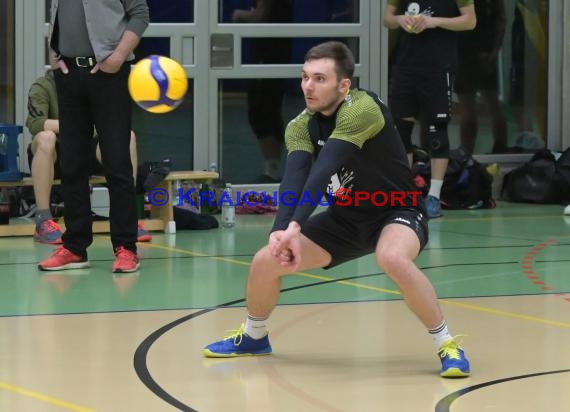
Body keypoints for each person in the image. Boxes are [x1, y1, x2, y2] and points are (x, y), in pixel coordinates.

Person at [203, 41, 470, 378]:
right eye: (304, 77)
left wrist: (297, 225)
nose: (308, 87)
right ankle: (255, 336)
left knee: (391, 257)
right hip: (346, 220)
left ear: (344, 85)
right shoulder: (300, 124)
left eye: (319, 79)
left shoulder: (362, 108)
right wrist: (280, 232)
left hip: (395, 211)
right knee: (264, 261)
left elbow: (324, 168)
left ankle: (448, 345)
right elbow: (295, 178)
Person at [39, 0, 149, 272]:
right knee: (72, 164)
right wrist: (54, 51)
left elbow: (140, 14)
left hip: (110, 75)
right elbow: (58, 13)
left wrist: (118, 56)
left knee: (117, 162)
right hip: (68, 75)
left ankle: (126, 247)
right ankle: (75, 246)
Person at [26, 69, 152, 245]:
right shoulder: (42, 86)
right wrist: (75, 124)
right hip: (55, 153)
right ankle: (43, 220)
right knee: (45, 137)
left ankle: (127, 218)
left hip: (86, 148)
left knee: (127, 136)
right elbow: (35, 123)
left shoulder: (95, 85)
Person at [383, 1, 476, 218]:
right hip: (406, 65)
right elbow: (387, 18)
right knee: (400, 131)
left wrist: (435, 22)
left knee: (437, 132)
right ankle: (405, 196)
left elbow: (470, 21)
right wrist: (399, 19)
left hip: (438, 66)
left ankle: (433, 196)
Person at [232, 0, 292, 183]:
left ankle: (271, 172)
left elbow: (261, 15)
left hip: (268, 53)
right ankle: (272, 169)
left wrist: (239, 15)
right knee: (269, 109)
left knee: (262, 111)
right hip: (274, 51)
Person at [455, 0, 507, 155]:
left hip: (481, 52)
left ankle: (498, 149)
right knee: (470, 109)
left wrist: (494, 51)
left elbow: (501, 20)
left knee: (490, 104)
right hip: (466, 51)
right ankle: (467, 153)